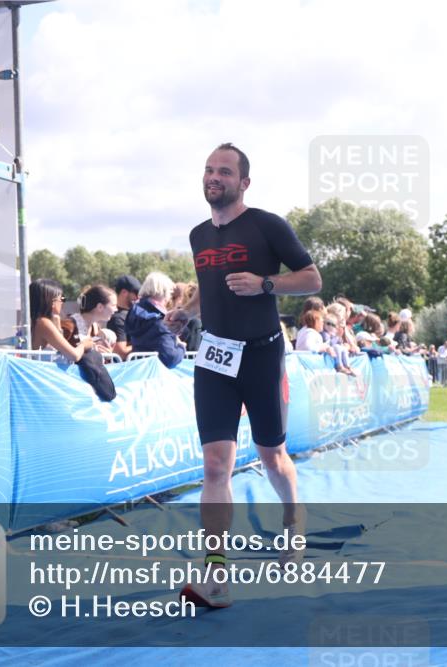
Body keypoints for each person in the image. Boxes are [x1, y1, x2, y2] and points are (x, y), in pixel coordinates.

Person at [168, 143, 322, 608]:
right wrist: (185, 311)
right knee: (216, 465)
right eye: (209, 170)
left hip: (261, 355)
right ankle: (216, 576)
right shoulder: (198, 235)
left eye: (224, 171)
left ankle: (294, 521)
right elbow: (209, 289)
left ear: (244, 182)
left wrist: (265, 284)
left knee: (272, 456)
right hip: (215, 357)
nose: (214, 177)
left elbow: (313, 279)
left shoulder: (267, 225)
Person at [124, 271, 186, 370]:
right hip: (156, 377)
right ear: (164, 292)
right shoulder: (160, 322)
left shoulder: (133, 313)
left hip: (137, 372)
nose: (169, 297)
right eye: (169, 293)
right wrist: (181, 347)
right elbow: (170, 359)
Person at [29, 279, 92, 362]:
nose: (63, 302)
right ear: (51, 302)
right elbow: (74, 355)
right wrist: (84, 344)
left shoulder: (39, 322)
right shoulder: (43, 323)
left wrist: (57, 325)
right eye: (61, 298)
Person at [70, 285, 116, 353]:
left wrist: (107, 355)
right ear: (100, 307)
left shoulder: (95, 328)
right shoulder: (69, 326)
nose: (116, 309)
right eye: (113, 305)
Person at [107, 275, 140, 359]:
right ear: (124, 292)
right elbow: (120, 352)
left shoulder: (135, 313)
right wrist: (146, 343)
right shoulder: (117, 318)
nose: (138, 297)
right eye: (136, 293)